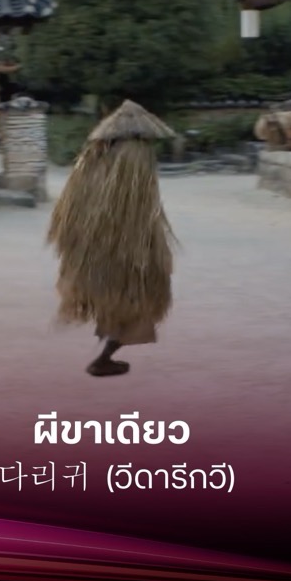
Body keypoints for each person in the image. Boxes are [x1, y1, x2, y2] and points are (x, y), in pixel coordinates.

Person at [47, 100, 177, 377]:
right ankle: (103, 358)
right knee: (136, 302)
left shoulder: (93, 157)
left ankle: (106, 348)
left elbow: (72, 208)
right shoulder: (136, 153)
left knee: (117, 299)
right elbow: (138, 206)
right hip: (127, 249)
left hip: (99, 245)